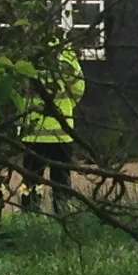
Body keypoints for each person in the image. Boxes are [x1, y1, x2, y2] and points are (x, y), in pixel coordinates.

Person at [17, 44, 84, 215]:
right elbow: (78, 88)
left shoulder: (27, 51)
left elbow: (17, 89)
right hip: (61, 132)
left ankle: (29, 214)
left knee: (30, 178)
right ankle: (63, 213)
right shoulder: (67, 55)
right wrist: (66, 106)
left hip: (33, 132)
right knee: (61, 179)